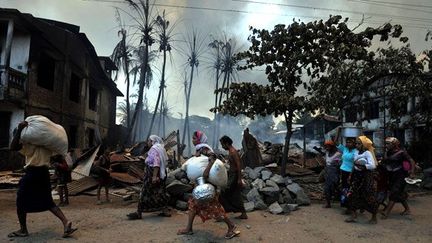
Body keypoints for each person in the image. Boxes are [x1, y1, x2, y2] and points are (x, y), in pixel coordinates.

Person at [8, 121, 77, 238]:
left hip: (32, 173)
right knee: (48, 201)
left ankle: (23, 230)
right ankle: (66, 222)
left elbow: (12, 147)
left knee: (20, 201)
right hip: (44, 174)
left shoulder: (28, 144)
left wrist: (20, 129)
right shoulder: (47, 145)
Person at [177, 131, 240, 239]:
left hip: (207, 185)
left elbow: (213, 157)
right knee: (193, 204)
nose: (192, 140)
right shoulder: (199, 148)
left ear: (200, 139)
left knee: (214, 207)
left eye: (194, 138)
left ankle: (231, 226)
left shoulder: (204, 148)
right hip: (201, 185)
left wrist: (206, 171)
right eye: (192, 138)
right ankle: (189, 228)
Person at [127, 135, 170, 220]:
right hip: (160, 174)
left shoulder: (154, 149)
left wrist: (154, 176)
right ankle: (164, 210)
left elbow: (156, 163)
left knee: (144, 192)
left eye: (149, 141)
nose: (148, 143)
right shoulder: (161, 149)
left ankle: (139, 212)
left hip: (152, 174)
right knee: (160, 192)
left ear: (153, 141)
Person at [345, 136, 378, 224]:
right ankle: (353, 215)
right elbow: (354, 164)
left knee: (369, 196)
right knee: (351, 195)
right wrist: (350, 175)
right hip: (356, 177)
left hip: (366, 177)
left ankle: (374, 217)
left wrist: (363, 166)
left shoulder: (367, 153)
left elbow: (373, 165)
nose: (356, 145)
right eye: (356, 143)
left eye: (359, 144)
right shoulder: (356, 152)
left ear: (363, 144)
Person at [381, 137, 416, 219]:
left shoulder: (402, 152)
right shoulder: (387, 152)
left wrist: (412, 171)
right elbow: (385, 162)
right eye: (386, 143)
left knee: (394, 192)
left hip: (400, 175)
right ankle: (407, 209)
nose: (386, 145)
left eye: (388, 143)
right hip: (391, 175)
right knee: (398, 193)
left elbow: (411, 161)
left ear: (394, 144)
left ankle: (386, 212)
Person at [219, 135, 248, 219]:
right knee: (235, 194)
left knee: (224, 193)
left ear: (227, 143)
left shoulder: (233, 152)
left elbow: (239, 165)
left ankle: (222, 214)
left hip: (234, 175)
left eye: (222, 144)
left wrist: (239, 178)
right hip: (232, 175)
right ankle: (242, 213)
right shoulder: (231, 151)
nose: (222, 146)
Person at [334, 128, 358, 209]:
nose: (348, 144)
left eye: (350, 142)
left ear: (354, 143)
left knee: (350, 188)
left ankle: (350, 205)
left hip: (351, 172)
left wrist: (351, 175)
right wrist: (338, 131)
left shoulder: (356, 151)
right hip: (343, 172)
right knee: (344, 188)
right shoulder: (345, 149)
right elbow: (335, 142)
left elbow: (355, 163)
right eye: (347, 142)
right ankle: (345, 203)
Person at [317, 140, 341, 208]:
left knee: (334, 187)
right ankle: (328, 203)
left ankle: (341, 201)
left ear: (332, 146)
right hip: (327, 171)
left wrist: (334, 165)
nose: (327, 148)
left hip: (334, 172)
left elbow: (339, 164)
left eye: (328, 146)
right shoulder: (327, 153)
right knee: (327, 187)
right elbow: (326, 162)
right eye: (326, 146)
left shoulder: (338, 154)